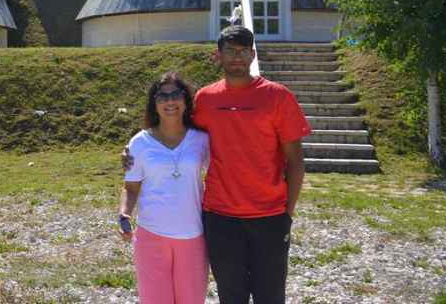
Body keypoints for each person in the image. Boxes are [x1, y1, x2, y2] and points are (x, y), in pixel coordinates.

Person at [124, 25, 310, 304]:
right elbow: (177, 132)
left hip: (269, 215)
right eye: (230, 51)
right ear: (217, 56)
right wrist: (135, 148)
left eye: (243, 51)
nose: (237, 57)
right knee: (231, 296)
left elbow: (296, 161)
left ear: (253, 54)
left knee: (270, 295)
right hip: (221, 218)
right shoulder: (206, 99)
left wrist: (288, 212)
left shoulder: (278, 97)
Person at [118, 71, 210, 304]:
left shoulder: (202, 139)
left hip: (193, 235)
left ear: (186, 100)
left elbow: (221, 175)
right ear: (154, 104)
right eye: (162, 96)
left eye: (176, 94)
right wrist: (124, 213)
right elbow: (130, 187)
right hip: (151, 236)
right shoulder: (138, 142)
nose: (170, 101)